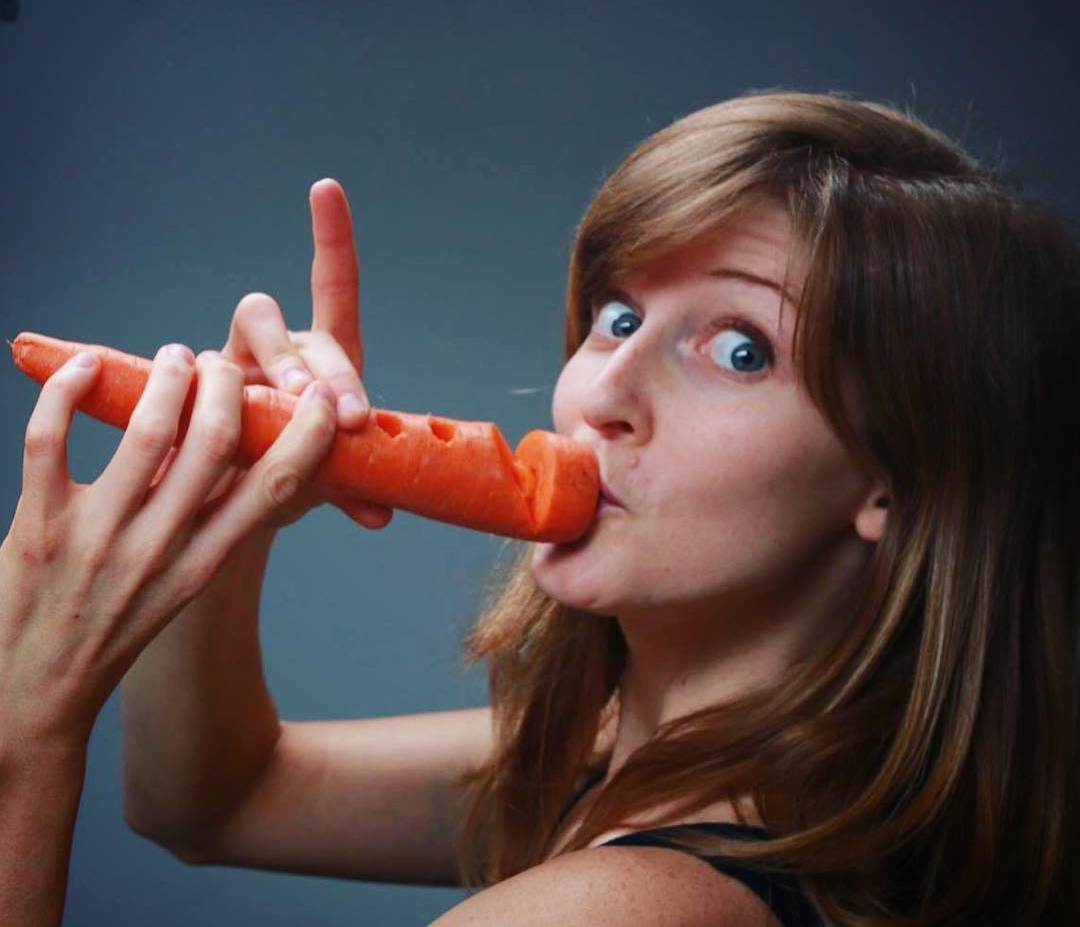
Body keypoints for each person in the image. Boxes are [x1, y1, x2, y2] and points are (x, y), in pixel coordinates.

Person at [1, 91, 1075, 926]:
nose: (598, 392)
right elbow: (213, 799)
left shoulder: (619, 908)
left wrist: (26, 729)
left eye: (740, 349)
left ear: (893, 477)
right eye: (617, 316)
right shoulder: (665, 762)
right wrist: (228, 511)